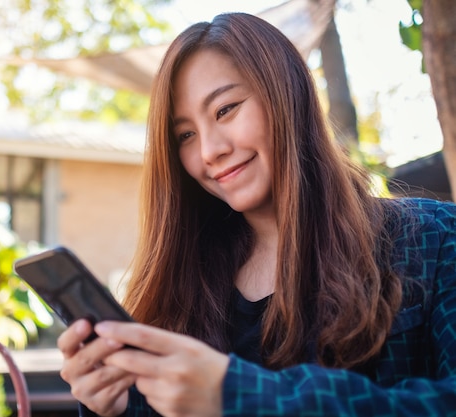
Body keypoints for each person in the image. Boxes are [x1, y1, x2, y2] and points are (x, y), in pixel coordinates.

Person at [57, 12, 456, 417]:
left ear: (287, 95)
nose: (210, 151)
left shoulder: (433, 240)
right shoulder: (180, 285)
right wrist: (117, 406)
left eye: (225, 109)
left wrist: (238, 394)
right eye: (186, 135)